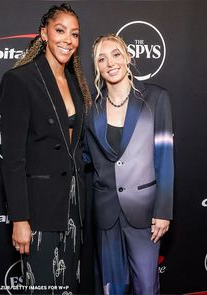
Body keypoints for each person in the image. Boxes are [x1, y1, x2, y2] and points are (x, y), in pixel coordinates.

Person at [0, 3, 91, 294]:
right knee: (42, 288)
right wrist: (20, 219)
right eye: (60, 30)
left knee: (68, 286)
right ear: (43, 34)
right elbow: (13, 158)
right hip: (39, 208)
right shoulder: (20, 79)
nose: (68, 39)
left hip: (73, 205)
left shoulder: (76, 82)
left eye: (74, 34)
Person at [85, 34, 174, 295]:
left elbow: (164, 156)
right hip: (107, 213)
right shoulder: (91, 107)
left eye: (115, 54)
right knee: (112, 289)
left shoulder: (156, 98)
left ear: (128, 58)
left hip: (145, 213)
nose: (110, 62)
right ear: (97, 67)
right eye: (101, 58)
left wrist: (163, 210)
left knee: (147, 287)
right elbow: (86, 155)